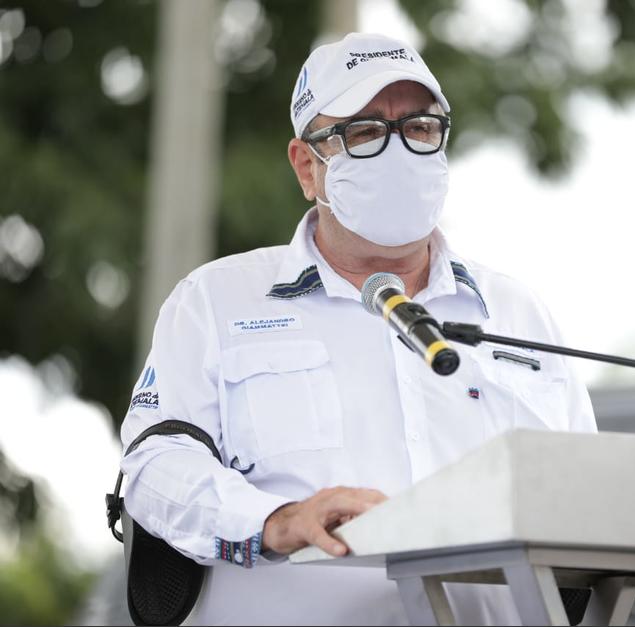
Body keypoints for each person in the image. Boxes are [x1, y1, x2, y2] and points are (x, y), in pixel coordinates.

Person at [121, 32, 596, 625]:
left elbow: (590, 500)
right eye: (365, 132)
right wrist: (276, 521)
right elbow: (155, 467)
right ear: (307, 167)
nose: (400, 151)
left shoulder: (516, 312)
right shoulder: (215, 300)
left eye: (420, 126)